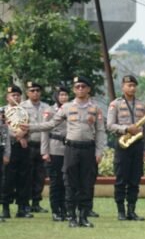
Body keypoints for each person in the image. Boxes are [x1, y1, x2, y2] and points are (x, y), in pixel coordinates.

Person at [21, 76, 107, 227]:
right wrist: (30, 127)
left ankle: (84, 217)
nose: (80, 89)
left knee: (86, 184)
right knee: (70, 183)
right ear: (74, 90)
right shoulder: (66, 107)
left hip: (88, 149)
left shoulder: (95, 108)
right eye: (77, 87)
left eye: (83, 86)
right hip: (71, 148)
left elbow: (100, 131)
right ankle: (72, 216)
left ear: (88, 89)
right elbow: (51, 124)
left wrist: (99, 151)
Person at [107, 75, 145, 221]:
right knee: (121, 179)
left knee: (135, 179)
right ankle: (120, 211)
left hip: (138, 145)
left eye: (134, 85)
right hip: (122, 144)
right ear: (122, 87)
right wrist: (126, 128)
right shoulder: (115, 104)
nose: (131, 88)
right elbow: (110, 125)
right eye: (128, 85)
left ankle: (131, 211)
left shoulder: (141, 105)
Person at [1, 85, 33, 219]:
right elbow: (3, 129)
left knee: (24, 178)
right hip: (9, 147)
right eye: (13, 95)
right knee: (7, 179)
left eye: (18, 95)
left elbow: (29, 125)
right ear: (7, 97)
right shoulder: (2, 111)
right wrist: (17, 136)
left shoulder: (24, 111)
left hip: (23, 148)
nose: (15, 97)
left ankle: (22, 208)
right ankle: (5, 208)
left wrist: (24, 135)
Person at [20, 81, 50, 213]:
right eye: (32, 90)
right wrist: (21, 137)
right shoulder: (21, 107)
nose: (35, 93)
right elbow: (16, 125)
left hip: (42, 145)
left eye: (37, 90)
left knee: (40, 175)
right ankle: (25, 203)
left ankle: (36, 202)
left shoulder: (47, 107)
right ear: (27, 92)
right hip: (27, 144)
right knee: (26, 175)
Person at [41, 86, 70, 221]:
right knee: (55, 181)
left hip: (68, 149)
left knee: (66, 181)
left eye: (66, 94)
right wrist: (45, 151)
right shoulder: (50, 111)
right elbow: (45, 131)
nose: (64, 97)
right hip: (54, 148)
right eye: (61, 94)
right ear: (56, 96)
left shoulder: (71, 109)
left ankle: (65, 209)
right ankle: (55, 210)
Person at [0, 106, 10, 222]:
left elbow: (7, 142)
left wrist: (7, 155)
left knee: (2, 182)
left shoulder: (4, 126)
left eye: (3, 114)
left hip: (1, 151)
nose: (2, 116)